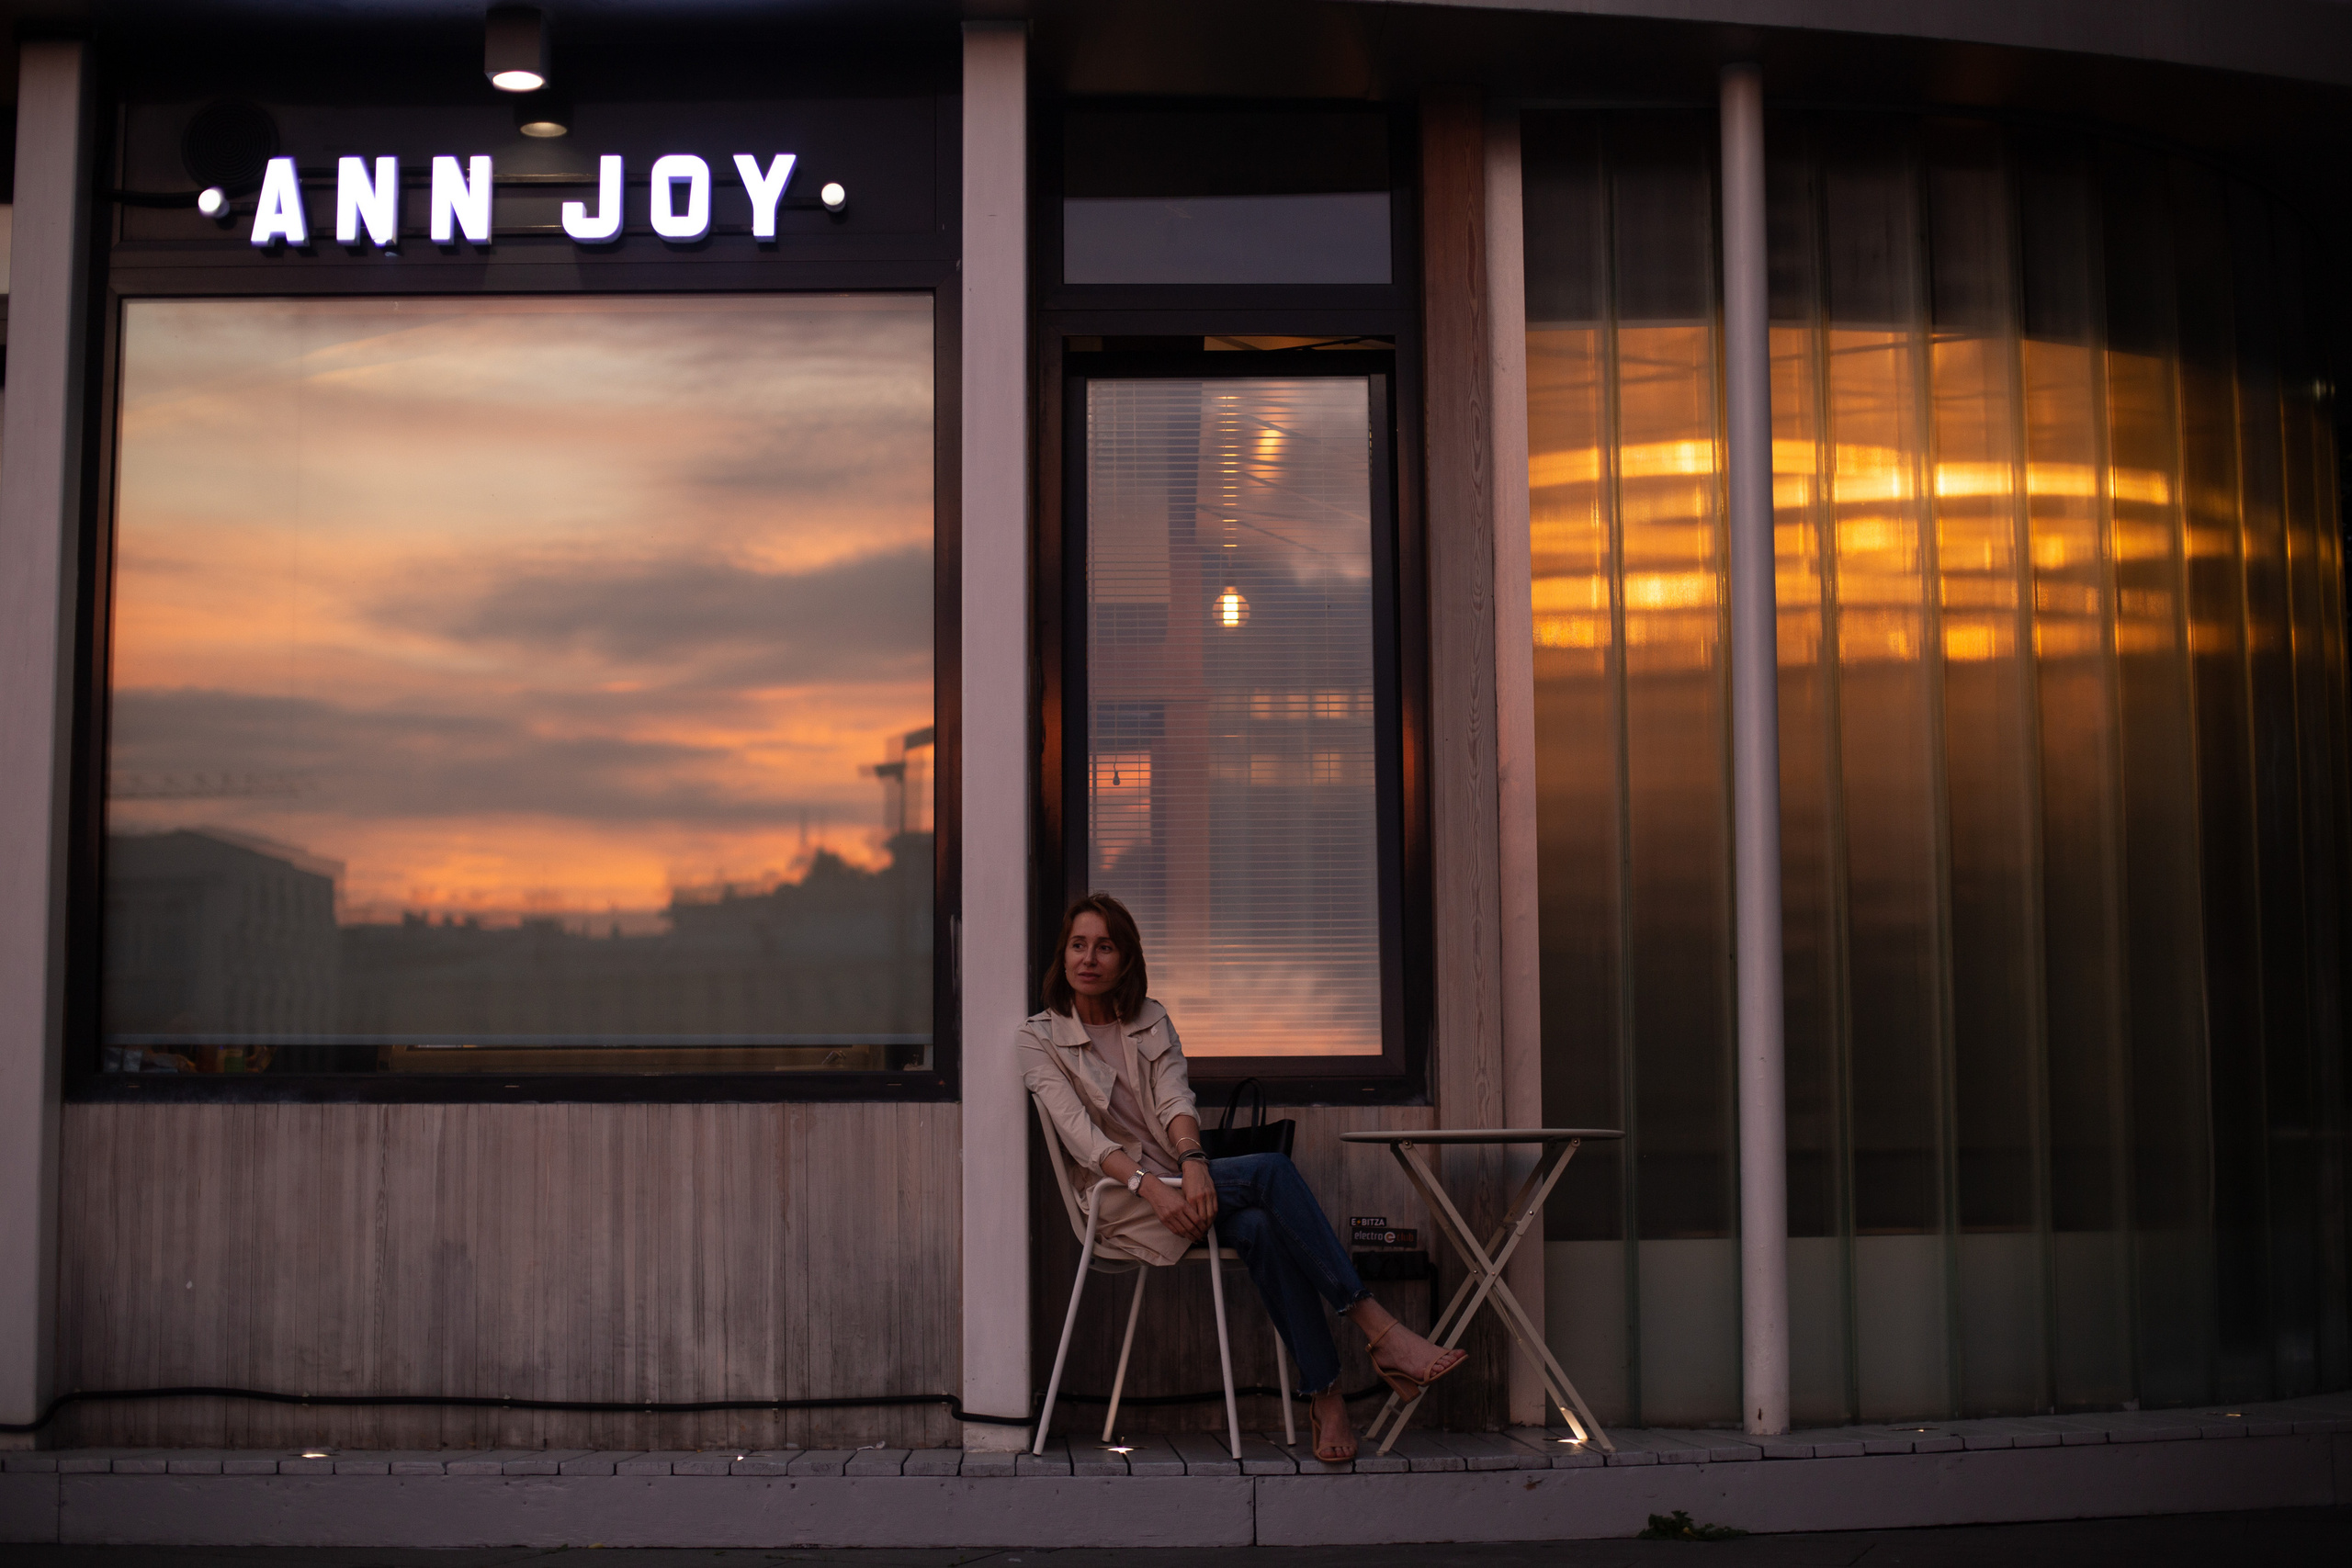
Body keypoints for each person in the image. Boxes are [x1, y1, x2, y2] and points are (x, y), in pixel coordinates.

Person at [1019, 892, 1466, 1464]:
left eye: (1104, 946)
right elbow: (1081, 1135)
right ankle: (1381, 1331)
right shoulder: (1038, 1037)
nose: (1089, 959)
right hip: (1121, 1200)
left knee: (1257, 1222)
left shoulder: (1150, 1018)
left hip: (1186, 1183)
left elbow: (1177, 1097)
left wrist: (1192, 1162)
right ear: (1063, 956)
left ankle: (1327, 1397)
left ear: (1125, 958)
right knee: (1271, 1171)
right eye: (1078, 946)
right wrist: (1152, 1186)